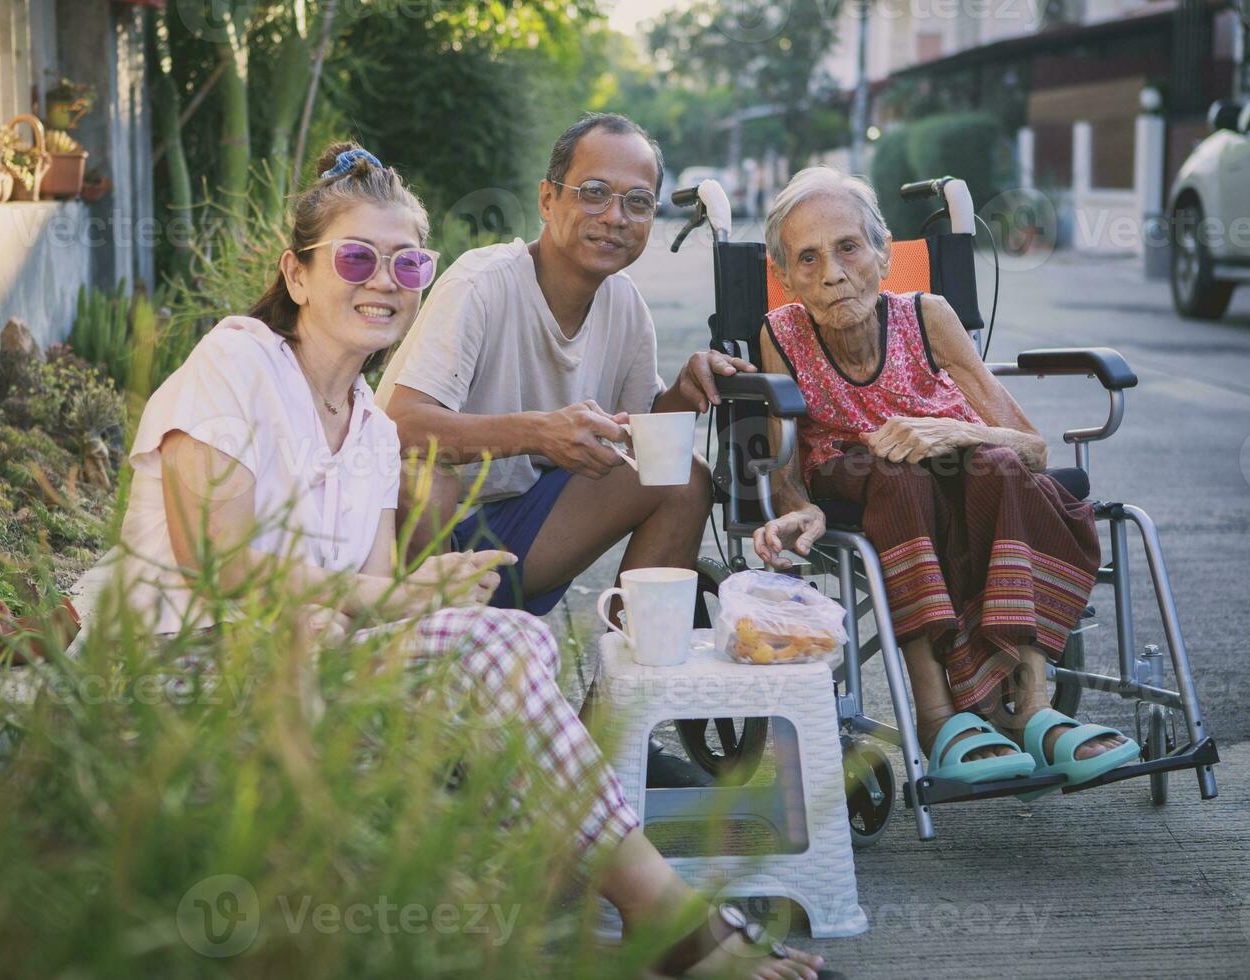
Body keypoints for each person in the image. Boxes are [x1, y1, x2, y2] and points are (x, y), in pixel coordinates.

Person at [113, 142, 827, 980]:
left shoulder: (369, 425)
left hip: (318, 646)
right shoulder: (238, 360)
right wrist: (396, 596)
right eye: (355, 258)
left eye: (406, 263)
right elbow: (213, 562)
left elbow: (374, 592)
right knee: (484, 633)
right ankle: (666, 917)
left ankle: (634, 897)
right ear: (298, 275)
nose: (384, 280)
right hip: (195, 650)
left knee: (509, 642)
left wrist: (419, 596)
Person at [377, 113, 756, 787]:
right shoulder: (483, 282)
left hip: (524, 534)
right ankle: (430, 725)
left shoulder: (626, 308)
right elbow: (399, 424)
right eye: (594, 193)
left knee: (684, 480)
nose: (616, 216)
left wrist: (682, 393)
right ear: (548, 199)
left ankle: (600, 744)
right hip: (421, 550)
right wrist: (536, 430)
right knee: (423, 475)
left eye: (637, 203)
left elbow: (639, 455)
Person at [751, 166, 1140, 792]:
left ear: (882, 255)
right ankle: (936, 719)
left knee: (1000, 464)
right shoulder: (783, 335)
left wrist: (957, 431)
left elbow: (1032, 448)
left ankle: (1035, 707)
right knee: (897, 473)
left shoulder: (929, 315)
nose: (831, 273)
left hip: (969, 474)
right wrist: (804, 508)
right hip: (864, 480)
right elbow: (786, 467)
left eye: (848, 247)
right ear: (788, 278)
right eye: (807, 258)